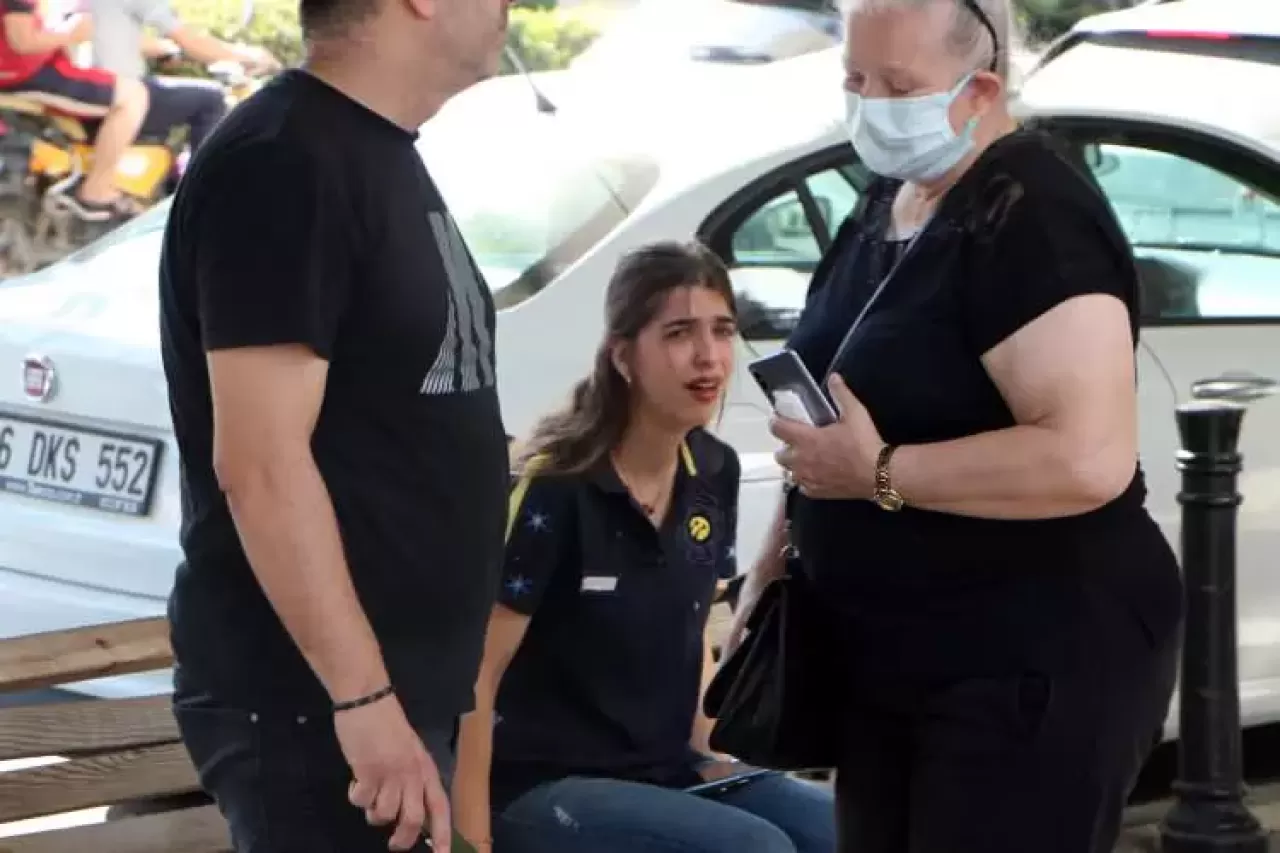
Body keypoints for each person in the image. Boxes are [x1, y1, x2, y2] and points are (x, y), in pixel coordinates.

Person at [724, 0, 1184, 852]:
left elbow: (1087, 458)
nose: (871, 104)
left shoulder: (1033, 214)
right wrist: (770, 569)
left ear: (981, 89)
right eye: (856, 78)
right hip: (886, 655)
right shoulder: (888, 200)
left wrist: (881, 471)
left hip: (1025, 658)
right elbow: (830, 417)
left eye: (899, 86)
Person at [157, 0, 512, 851]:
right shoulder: (284, 161)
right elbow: (261, 464)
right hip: (319, 709)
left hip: (391, 698)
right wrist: (362, 698)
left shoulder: (371, 151)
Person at [452, 241, 838, 853]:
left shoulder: (714, 469)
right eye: (679, 333)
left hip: (664, 769)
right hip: (541, 783)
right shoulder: (556, 486)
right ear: (623, 356)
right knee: (756, 849)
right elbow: (478, 670)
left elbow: (693, 635)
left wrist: (720, 758)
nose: (709, 356)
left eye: (722, 330)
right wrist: (469, 838)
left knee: (840, 829)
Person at [0, 0, 148, 220]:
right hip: (22, 74)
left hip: (27, 69)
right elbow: (22, 41)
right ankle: (97, 189)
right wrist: (71, 34)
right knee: (132, 95)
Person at [85, 0, 281, 152]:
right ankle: (205, 186)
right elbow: (194, 43)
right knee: (212, 99)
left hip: (87, 88)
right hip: (118, 92)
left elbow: (117, 38)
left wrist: (167, 49)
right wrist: (249, 56)